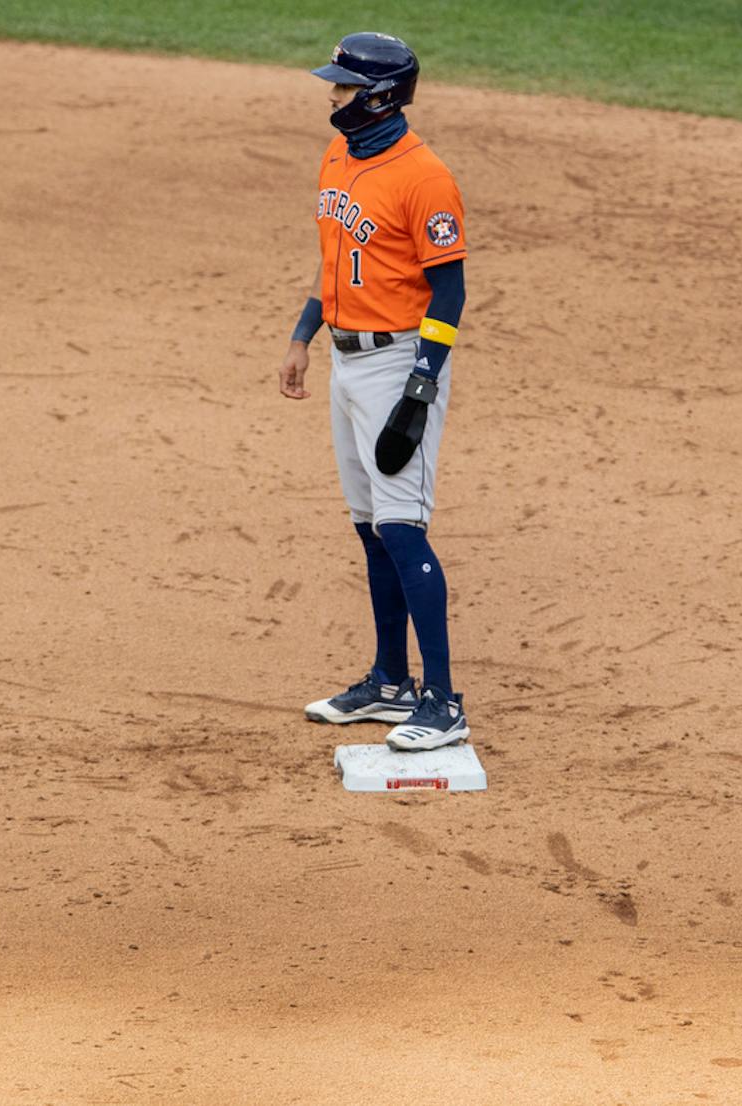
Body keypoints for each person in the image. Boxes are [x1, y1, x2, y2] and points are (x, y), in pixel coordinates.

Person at [278, 32, 469, 752]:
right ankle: (390, 684)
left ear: (381, 95)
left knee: (400, 525)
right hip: (343, 360)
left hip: (398, 365)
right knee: (367, 524)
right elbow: (334, 259)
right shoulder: (338, 156)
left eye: (345, 87)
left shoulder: (426, 179)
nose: (333, 96)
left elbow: (449, 292)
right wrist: (302, 335)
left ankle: (442, 704)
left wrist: (421, 388)